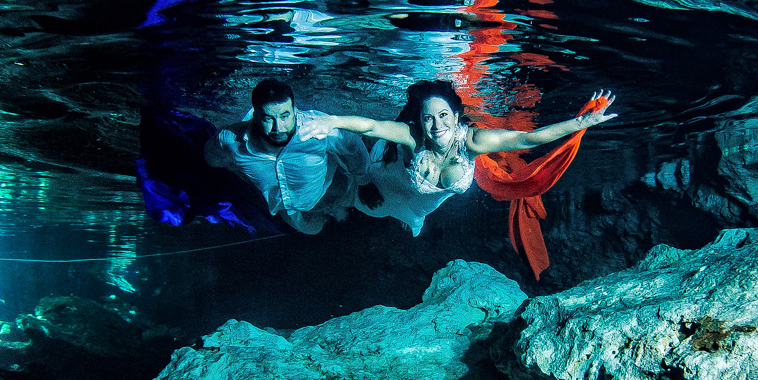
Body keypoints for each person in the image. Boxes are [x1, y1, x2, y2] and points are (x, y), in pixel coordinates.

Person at [298, 81, 617, 237]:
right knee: (360, 194)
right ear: (419, 121)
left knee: (412, 212)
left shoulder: (474, 141)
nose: (436, 127)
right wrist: (332, 121)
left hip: (421, 205)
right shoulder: (413, 137)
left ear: (457, 116)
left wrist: (581, 123)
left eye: (443, 116)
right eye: (428, 119)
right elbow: (371, 125)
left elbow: (528, 139)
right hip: (387, 178)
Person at [204, 77, 371, 234]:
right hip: (287, 211)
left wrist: (364, 181)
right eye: (268, 118)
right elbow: (212, 160)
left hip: (331, 187)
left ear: (295, 111)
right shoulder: (230, 141)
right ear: (255, 116)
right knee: (313, 230)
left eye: (285, 116)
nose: (278, 128)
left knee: (346, 221)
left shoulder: (319, 129)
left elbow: (354, 147)